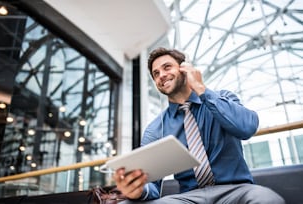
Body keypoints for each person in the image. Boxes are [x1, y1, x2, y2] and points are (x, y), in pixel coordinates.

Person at [113, 47, 285, 204]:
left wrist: (201, 89)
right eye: (156, 74)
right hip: (189, 198)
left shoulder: (222, 99)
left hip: (236, 191)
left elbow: (247, 127)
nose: (161, 76)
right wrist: (138, 189)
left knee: (267, 199)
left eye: (167, 67)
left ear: (185, 69)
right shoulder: (156, 129)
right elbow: (152, 185)